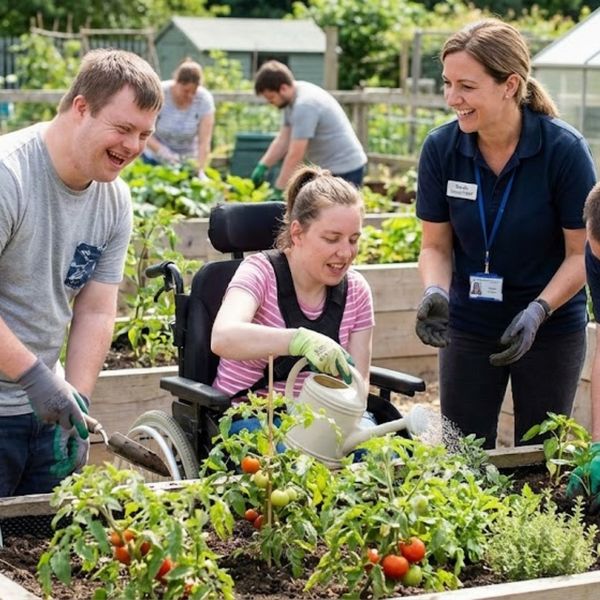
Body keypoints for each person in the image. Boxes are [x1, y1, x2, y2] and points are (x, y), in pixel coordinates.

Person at [414, 18, 596, 449]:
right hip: (469, 324)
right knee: (463, 457)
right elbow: (434, 245)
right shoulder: (442, 149)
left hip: (549, 329)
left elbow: (580, 254)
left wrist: (537, 311)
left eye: (466, 86)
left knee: (540, 457)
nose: (451, 98)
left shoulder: (563, 151)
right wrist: (433, 293)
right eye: (447, 83)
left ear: (510, 85)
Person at [0, 49, 163, 497]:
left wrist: (76, 396)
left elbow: (95, 308)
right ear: (81, 108)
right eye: (123, 128)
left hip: (42, 412)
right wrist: (36, 379)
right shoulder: (9, 175)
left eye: (145, 135)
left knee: (39, 558)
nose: (133, 146)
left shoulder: (114, 200)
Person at [211, 165, 374, 410]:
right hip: (251, 416)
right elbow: (223, 337)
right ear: (297, 233)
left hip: (322, 420)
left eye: (353, 240)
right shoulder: (260, 273)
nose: (345, 252)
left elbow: (358, 386)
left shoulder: (356, 291)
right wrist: (298, 340)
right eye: (332, 239)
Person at [250, 60, 367, 198]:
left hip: (345, 168)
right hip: (327, 168)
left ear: (283, 88)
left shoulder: (305, 105)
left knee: (336, 215)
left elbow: (295, 154)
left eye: (271, 98)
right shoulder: (291, 100)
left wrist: (280, 188)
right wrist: (263, 165)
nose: (271, 103)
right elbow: (283, 139)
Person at [142, 58, 215, 179]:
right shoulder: (159, 93)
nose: (190, 95)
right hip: (154, 159)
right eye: (186, 91)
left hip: (187, 162)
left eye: (194, 91)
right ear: (176, 82)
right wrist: (163, 152)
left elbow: (204, 141)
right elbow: (143, 131)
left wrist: (199, 169)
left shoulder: (204, 99)